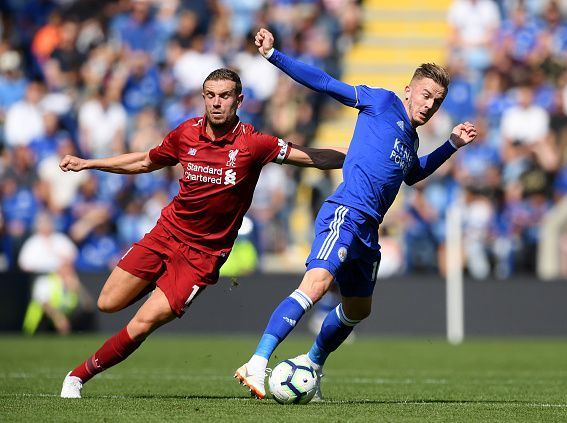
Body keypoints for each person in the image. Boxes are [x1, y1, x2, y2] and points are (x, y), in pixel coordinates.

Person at [59, 68, 347, 398]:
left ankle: (76, 378)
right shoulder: (186, 134)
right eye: (210, 95)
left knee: (142, 323)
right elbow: (144, 161)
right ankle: (158, 280)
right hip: (165, 234)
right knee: (107, 303)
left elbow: (313, 157)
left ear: (239, 101)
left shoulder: (254, 143)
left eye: (224, 96)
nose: (216, 103)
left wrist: (359, 160)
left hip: (201, 257)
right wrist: (88, 163)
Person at [235, 28, 477, 401]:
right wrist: (274, 56)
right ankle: (258, 361)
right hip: (345, 214)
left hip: (369, 231)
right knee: (315, 285)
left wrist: (451, 145)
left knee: (358, 309)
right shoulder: (381, 102)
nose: (429, 105)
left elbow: (413, 174)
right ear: (409, 90)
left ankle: (313, 364)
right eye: (426, 95)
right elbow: (327, 83)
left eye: (438, 101)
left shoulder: (410, 139)